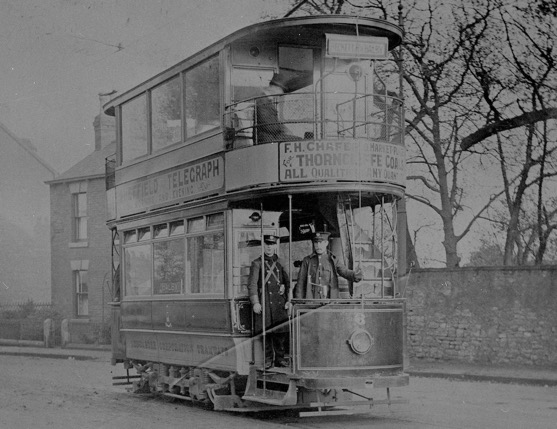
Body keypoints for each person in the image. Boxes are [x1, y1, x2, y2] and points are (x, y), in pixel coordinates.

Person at [247, 234, 291, 368]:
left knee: (280, 333)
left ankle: (280, 358)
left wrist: (288, 299)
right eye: (267, 244)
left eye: (271, 245)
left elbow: (288, 283)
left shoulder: (281, 262)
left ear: (275, 246)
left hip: (279, 302)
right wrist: (255, 302)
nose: (269, 247)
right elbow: (252, 284)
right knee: (266, 333)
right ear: (263, 246)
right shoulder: (257, 263)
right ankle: (267, 359)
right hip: (264, 301)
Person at [295, 232, 363, 299]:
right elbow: (301, 282)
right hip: (312, 300)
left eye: (321, 242)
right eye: (316, 242)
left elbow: (344, 272)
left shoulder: (333, 260)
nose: (318, 246)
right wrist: (298, 301)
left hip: (330, 301)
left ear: (326, 243)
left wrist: (356, 275)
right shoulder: (307, 260)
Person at [255, 74, 297, 143]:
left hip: (273, 136)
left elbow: (273, 123)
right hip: (268, 138)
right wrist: (283, 131)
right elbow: (269, 127)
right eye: (281, 90)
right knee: (299, 140)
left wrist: (284, 130)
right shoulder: (262, 101)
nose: (280, 94)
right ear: (275, 88)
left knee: (297, 139)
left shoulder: (266, 101)